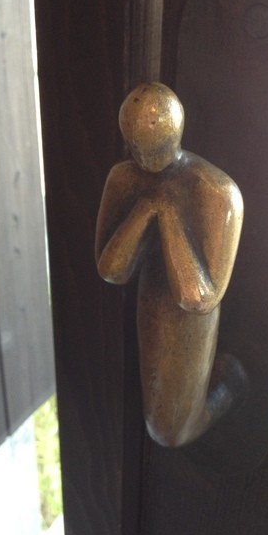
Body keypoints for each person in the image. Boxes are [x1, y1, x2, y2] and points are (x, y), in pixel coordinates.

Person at [95, 82, 244, 446]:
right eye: (137, 149)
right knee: (158, 420)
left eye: (154, 149)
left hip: (189, 322)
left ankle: (232, 382)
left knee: (171, 431)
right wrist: (144, 212)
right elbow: (111, 269)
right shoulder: (124, 177)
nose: (144, 160)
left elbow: (198, 297)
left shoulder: (216, 191)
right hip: (152, 303)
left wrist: (168, 216)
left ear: (175, 136)